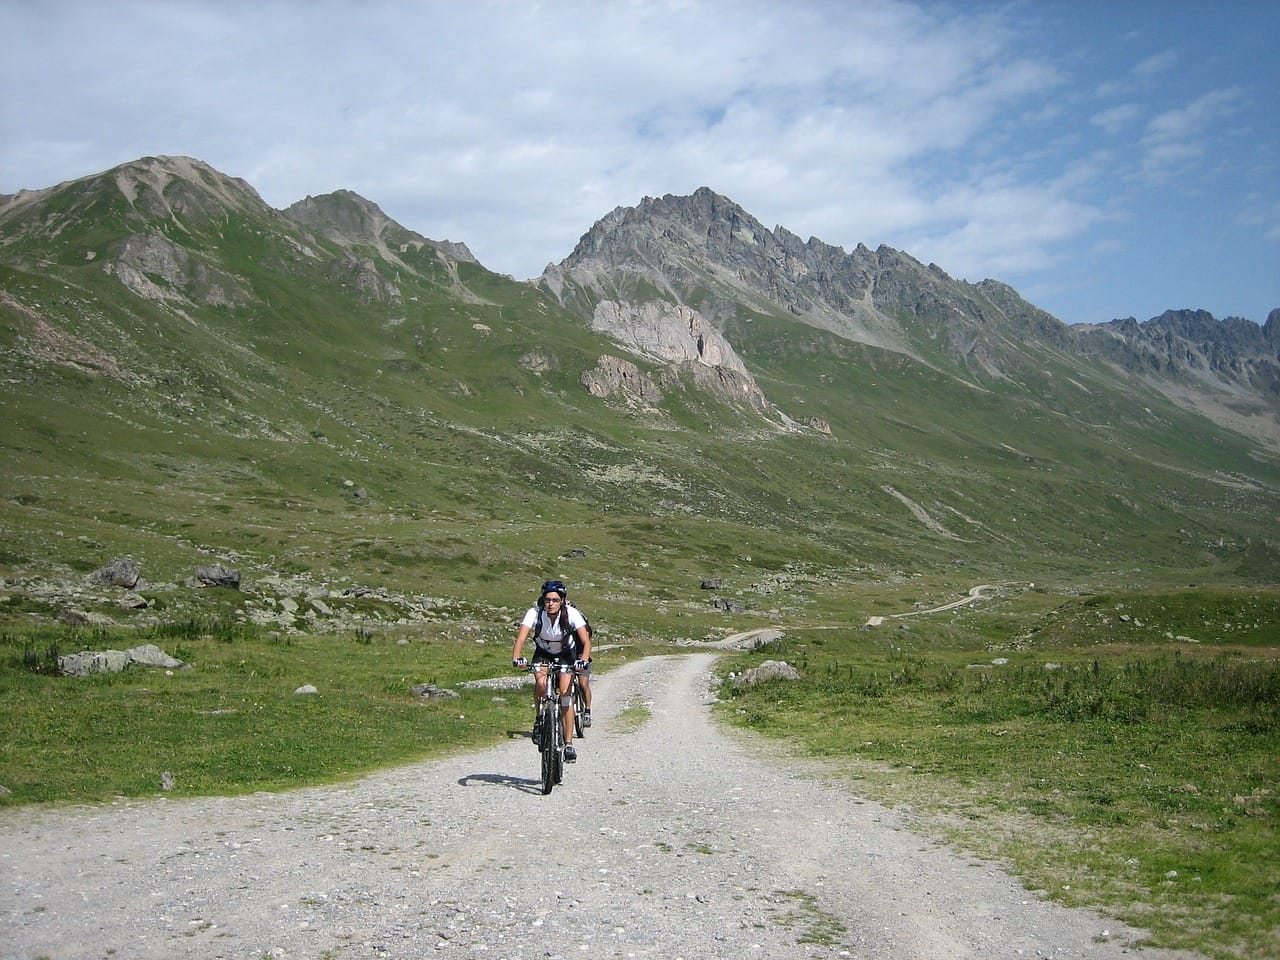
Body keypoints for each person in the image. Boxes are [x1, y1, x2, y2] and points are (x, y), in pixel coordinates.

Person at [511, 579, 592, 762]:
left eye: (555, 600)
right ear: (543, 600)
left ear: (562, 600)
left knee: (565, 695)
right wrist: (517, 657)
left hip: (566, 654)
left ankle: (569, 744)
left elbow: (586, 641)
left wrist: (583, 660)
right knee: (541, 683)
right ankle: (540, 718)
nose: (551, 604)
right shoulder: (534, 613)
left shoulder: (572, 614)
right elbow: (521, 638)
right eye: (548, 600)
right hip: (543, 652)